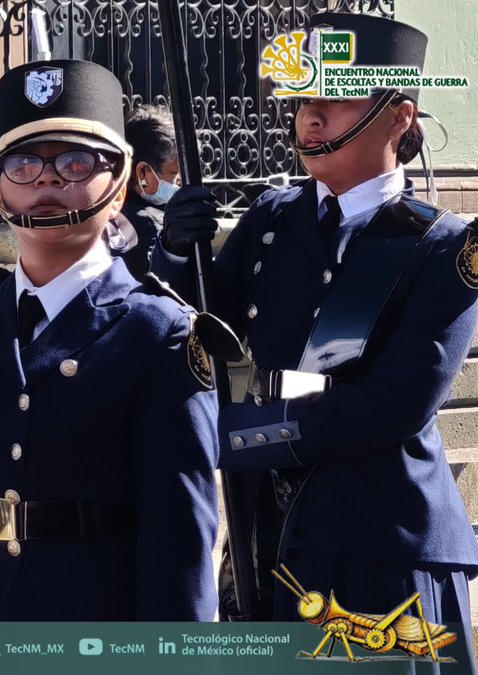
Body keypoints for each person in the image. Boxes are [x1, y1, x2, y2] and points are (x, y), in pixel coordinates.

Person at [155, 12, 478, 669]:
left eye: (333, 98)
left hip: (378, 544)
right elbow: (200, 342)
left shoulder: (440, 245)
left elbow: (391, 404)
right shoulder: (275, 218)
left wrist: (243, 429)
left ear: (397, 116)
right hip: (266, 539)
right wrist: (170, 255)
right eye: (303, 99)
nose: (310, 116)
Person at [0, 59, 221, 621]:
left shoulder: (157, 332)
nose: (48, 179)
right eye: (24, 162)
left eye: (76, 161)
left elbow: (180, 538)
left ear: (123, 181)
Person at [108, 105, 181, 279]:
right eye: (175, 173)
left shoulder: (104, 212)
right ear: (143, 173)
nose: (180, 182)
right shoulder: (156, 228)